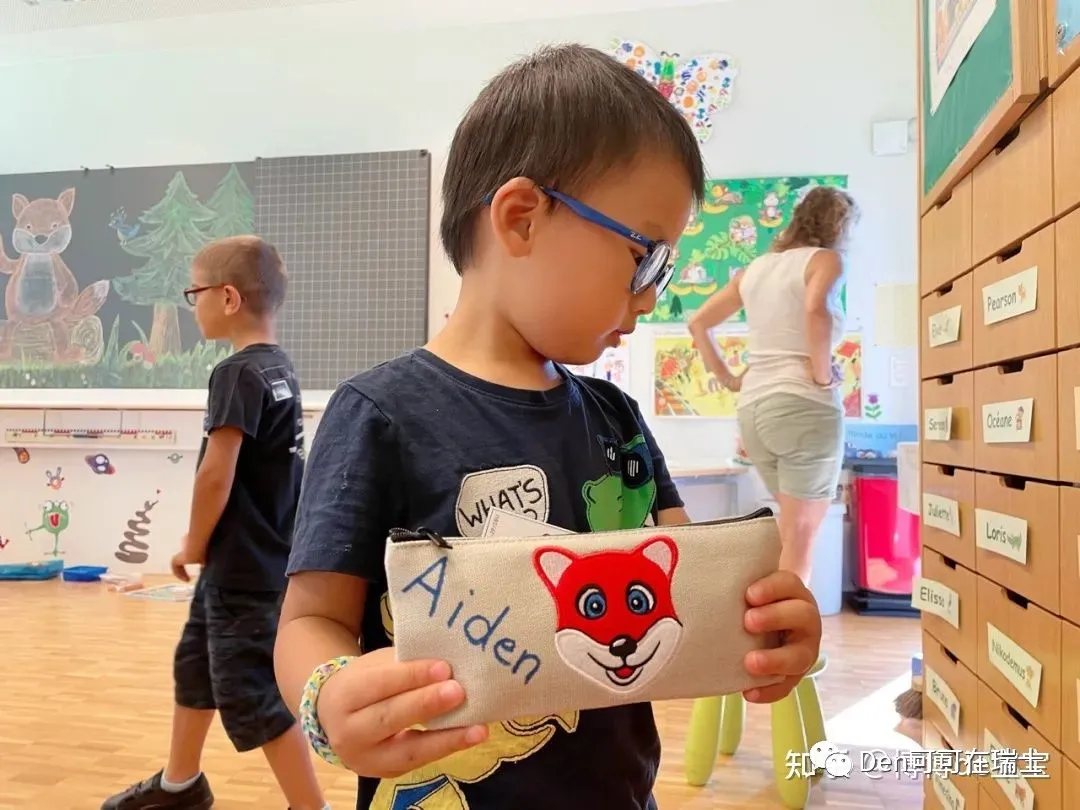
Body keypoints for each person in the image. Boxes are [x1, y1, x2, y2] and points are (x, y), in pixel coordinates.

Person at [273, 44, 823, 810]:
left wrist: (772, 626)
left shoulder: (616, 419)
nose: (650, 299)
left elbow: (696, 590)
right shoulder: (380, 414)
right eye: (645, 260)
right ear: (522, 218)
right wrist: (328, 696)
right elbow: (310, 620)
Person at [102, 236, 328, 810]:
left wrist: (192, 543)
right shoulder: (278, 367)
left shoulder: (235, 373)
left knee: (253, 695)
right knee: (195, 666)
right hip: (254, 560)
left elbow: (214, 474)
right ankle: (180, 785)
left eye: (194, 292)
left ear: (228, 298)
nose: (192, 303)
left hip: (243, 570)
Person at [688, 185, 859, 585]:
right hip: (803, 406)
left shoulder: (756, 270)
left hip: (754, 410)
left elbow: (698, 322)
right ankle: (788, 623)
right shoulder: (826, 260)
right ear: (839, 225)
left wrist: (729, 379)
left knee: (789, 530)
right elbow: (815, 309)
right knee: (802, 533)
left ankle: (769, 617)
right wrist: (822, 375)